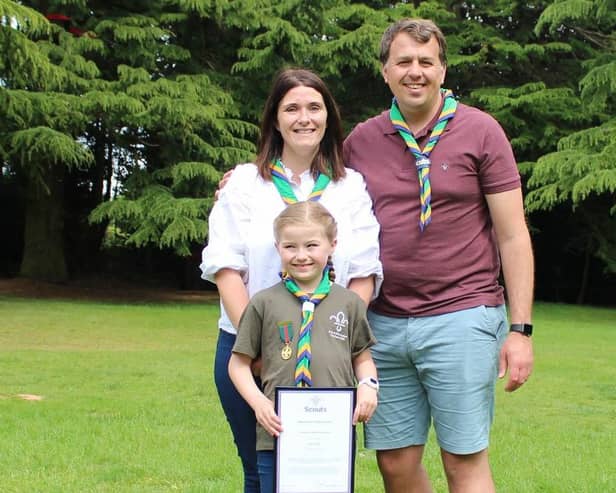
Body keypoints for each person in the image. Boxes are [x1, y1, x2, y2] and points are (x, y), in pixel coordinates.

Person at [342, 18, 535, 493]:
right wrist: (245, 178)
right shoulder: (361, 141)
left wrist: (520, 330)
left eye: (426, 62)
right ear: (384, 71)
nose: (415, 71)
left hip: (463, 316)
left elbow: (513, 236)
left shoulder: (481, 131)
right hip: (382, 324)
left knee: (462, 462)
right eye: (403, 61)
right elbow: (314, 196)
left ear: (442, 70)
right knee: (394, 464)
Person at [200, 68, 382, 493]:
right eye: (292, 108)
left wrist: (338, 344)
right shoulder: (244, 184)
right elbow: (227, 269)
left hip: (330, 353)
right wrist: (260, 344)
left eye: (314, 107)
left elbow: (364, 274)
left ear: (329, 118)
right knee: (261, 473)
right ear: (275, 119)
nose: (305, 118)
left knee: (322, 478)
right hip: (249, 351)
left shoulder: (350, 187)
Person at [228, 201, 379, 493]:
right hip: (277, 434)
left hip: (333, 437)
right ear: (277, 247)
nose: (301, 256)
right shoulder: (263, 302)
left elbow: (362, 358)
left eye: (311, 245)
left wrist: (369, 385)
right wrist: (259, 403)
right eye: (290, 247)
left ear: (332, 245)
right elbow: (238, 363)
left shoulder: (348, 303)